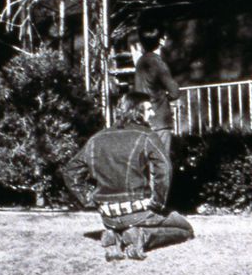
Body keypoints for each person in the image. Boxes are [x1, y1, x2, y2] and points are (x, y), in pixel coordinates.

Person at [63, 91, 193, 261]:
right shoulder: (147, 135)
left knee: (121, 221)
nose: (152, 113)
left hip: (108, 214)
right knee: (185, 229)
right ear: (137, 111)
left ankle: (115, 235)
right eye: (148, 109)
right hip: (139, 210)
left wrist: (87, 198)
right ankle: (142, 236)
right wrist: (158, 202)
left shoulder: (96, 139)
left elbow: (71, 171)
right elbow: (164, 168)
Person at [133, 25, 179, 149]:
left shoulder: (140, 62)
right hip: (160, 120)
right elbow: (175, 92)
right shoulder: (158, 63)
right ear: (162, 40)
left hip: (144, 119)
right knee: (162, 161)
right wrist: (164, 98)